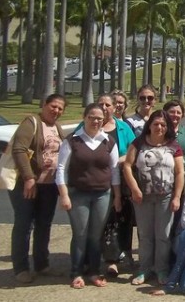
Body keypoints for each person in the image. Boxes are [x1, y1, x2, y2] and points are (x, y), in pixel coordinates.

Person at [56, 103, 122, 289]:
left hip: (103, 194)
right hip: (78, 194)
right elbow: (61, 169)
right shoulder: (72, 140)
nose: (95, 121)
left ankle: (94, 271)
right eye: (92, 117)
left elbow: (115, 171)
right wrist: (64, 194)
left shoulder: (108, 141)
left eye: (99, 118)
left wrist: (116, 196)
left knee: (95, 235)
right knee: (81, 234)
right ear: (84, 118)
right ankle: (76, 272)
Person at [122, 110, 185, 285]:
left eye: (163, 125)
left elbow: (180, 172)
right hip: (142, 197)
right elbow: (127, 165)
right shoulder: (139, 143)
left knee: (163, 235)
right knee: (145, 235)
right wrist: (134, 189)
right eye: (156, 124)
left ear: (168, 127)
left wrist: (177, 197)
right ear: (149, 125)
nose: (159, 127)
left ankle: (161, 269)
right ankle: (144, 269)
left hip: (166, 197)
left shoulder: (174, 145)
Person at [9, 94, 66, 284]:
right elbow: (19, 149)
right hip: (28, 184)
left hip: (49, 186)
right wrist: (28, 178)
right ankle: (21, 267)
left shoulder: (56, 127)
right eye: (53, 106)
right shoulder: (31, 122)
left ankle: (42, 264)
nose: (56, 110)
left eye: (60, 108)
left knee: (44, 224)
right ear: (44, 104)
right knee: (24, 224)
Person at [97, 93, 137, 277]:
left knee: (122, 219)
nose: (104, 108)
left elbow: (133, 150)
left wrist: (120, 159)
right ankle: (109, 260)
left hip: (122, 180)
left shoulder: (123, 128)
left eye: (107, 105)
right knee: (104, 221)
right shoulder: (89, 124)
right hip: (97, 181)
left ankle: (125, 252)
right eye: (101, 104)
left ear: (114, 108)